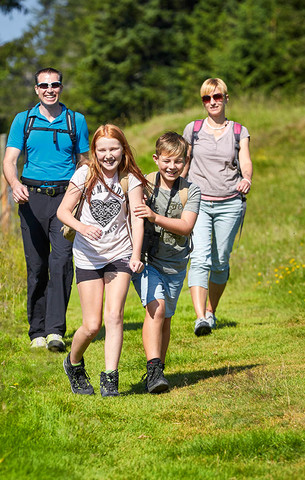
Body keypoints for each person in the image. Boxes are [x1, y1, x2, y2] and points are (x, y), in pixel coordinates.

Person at [2, 67, 89, 352]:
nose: (50, 89)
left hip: (66, 198)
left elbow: (85, 161)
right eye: (44, 85)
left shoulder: (76, 121)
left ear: (61, 87)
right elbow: (10, 159)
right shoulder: (23, 120)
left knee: (62, 263)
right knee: (38, 266)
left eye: (55, 85)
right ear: (36, 89)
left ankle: (55, 331)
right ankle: (36, 331)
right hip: (31, 198)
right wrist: (14, 183)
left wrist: (80, 194)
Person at [57, 124, 147, 396]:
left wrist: (135, 254)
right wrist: (83, 228)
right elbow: (63, 211)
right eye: (102, 149)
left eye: (114, 149)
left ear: (123, 149)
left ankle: (110, 378)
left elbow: (137, 218)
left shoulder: (130, 178)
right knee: (92, 325)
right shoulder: (85, 174)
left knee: (114, 316)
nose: (109, 155)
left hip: (119, 253)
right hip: (87, 256)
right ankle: (73, 363)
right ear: (94, 151)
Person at [182, 77, 253, 336]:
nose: (212, 102)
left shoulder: (238, 131)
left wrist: (246, 178)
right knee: (199, 257)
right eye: (206, 98)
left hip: (230, 203)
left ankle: (211, 310)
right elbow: (184, 162)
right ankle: (200, 318)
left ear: (225, 98)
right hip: (198, 202)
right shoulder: (193, 129)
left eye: (217, 97)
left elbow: (245, 160)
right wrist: (177, 188)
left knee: (220, 261)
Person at [132, 132, 200, 393]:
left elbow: (186, 226)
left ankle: (158, 369)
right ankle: (153, 372)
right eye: (167, 161)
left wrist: (154, 216)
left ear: (185, 162)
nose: (172, 167)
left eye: (178, 162)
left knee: (166, 317)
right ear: (156, 159)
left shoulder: (191, 190)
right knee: (156, 309)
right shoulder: (144, 184)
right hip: (148, 259)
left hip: (176, 263)